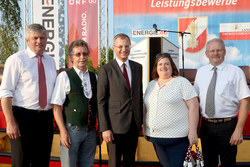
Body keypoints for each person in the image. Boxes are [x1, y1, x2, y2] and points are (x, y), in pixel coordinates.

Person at [0, 24, 57, 167]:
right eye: (35, 38)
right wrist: (10, 122)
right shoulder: (16, 60)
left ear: (46, 39)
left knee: (42, 162)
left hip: (45, 119)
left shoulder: (50, 61)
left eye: (42, 38)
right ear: (27, 40)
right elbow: (6, 92)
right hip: (22, 118)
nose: (39, 41)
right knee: (21, 162)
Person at [194, 38, 250, 167]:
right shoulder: (201, 72)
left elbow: (245, 101)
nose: (215, 53)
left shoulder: (236, 72)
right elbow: (195, 102)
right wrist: (195, 128)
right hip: (206, 125)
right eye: (212, 51)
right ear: (206, 54)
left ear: (225, 52)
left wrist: (238, 130)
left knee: (228, 163)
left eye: (218, 50)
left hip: (228, 126)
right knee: (208, 162)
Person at [143, 53, 199, 167]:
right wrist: (144, 127)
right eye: (160, 64)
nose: (163, 67)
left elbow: (194, 106)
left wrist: (193, 131)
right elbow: (146, 107)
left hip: (178, 140)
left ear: (172, 66)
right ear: (156, 67)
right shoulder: (151, 84)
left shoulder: (181, 82)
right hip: (156, 139)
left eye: (167, 64)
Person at [97, 33, 143, 167]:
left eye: (127, 46)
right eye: (120, 46)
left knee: (130, 162)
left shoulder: (137, 67)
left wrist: (141, 122)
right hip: (114, 127)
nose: (124, 49)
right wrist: (105, 128)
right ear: (113, 48)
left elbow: (138, 96)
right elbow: (101, 100)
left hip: (133, 126)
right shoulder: (106, 69)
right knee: (114, 163)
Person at [51, 40, 97, 167]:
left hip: (91, 131)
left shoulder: (94, 77)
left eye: (85, 53)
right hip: (71, 130)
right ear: (71, 58)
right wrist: (63, 131)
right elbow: (56, 106)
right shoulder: (64, 76)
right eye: (78, 54)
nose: (82, 57)